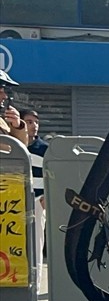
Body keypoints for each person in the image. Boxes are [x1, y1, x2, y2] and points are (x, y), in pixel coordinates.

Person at [20, 109, 48, 266]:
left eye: (36, 122)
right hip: (14, 201)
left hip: (37, 201)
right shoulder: (12, 145)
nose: (34, 126)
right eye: (29, 122)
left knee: (36, 244)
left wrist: (46, 197)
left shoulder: (45, 149)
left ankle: (35, 286)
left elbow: (51, 175)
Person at [0, 69, 30, 146]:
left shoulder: (1, 121)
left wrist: (17, 127)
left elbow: (19, 153)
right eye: (0, 92)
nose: (5, 96)